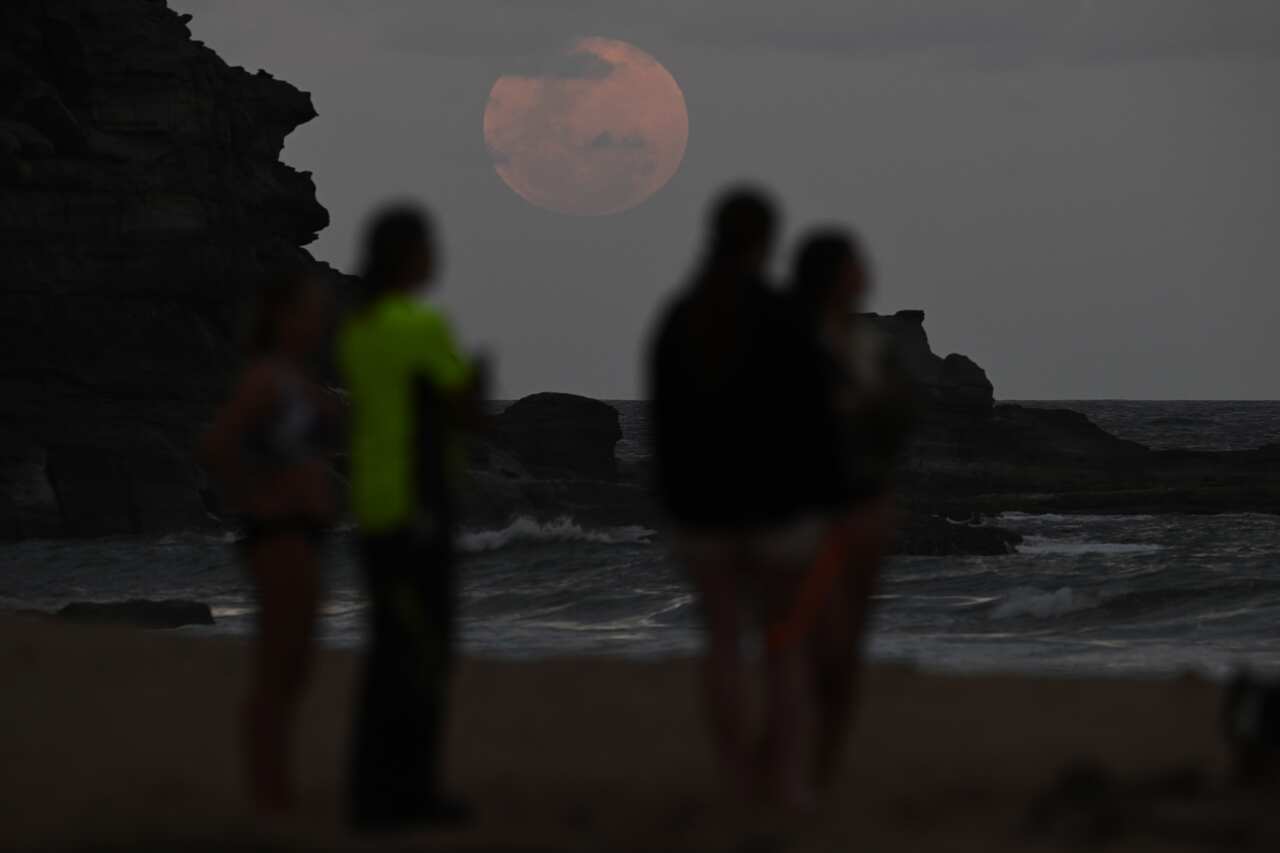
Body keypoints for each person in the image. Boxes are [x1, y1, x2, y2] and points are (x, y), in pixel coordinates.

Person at [647, 187, 835, 809]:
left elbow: (665, 423)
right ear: (766, 241)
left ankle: (733, 778)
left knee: (723, 643)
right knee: (783, 647)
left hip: (702, 508)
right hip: (777, 507)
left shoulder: (682, 316)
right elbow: (815, 417)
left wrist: (673, 500)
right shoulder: (784, 316)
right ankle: (784, 782)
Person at [337, 203, 486, 832]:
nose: (436, 256)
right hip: (420, 508)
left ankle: (373, 788)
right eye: (427, 246)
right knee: (425, 653)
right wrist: (477, 382)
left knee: (388, 649)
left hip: (374, 506)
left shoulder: (359, 328)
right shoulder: (421, 326)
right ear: (408, 256)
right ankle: (407, 791)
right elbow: (460, 407)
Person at [200, 272, 338, 815]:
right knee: (278, 662)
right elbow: (217, 443)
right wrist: (252, 495)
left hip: (308, 531)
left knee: (298, 661)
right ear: (280, 318)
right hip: (278, 533)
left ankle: (276, 780)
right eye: (307, 311)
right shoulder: (264, 378)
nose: (318, 321)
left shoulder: (299, 380)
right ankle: (266, 790)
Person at [784, 229, 912, 791]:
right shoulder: (792, 341)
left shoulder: (869, 343)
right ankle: (794, 761)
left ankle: (823, 766)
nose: (866, 273)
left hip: (865, 506)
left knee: (847, 647)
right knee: (814, 640)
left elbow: (897, 420)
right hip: (804, 510)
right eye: (855, 265)